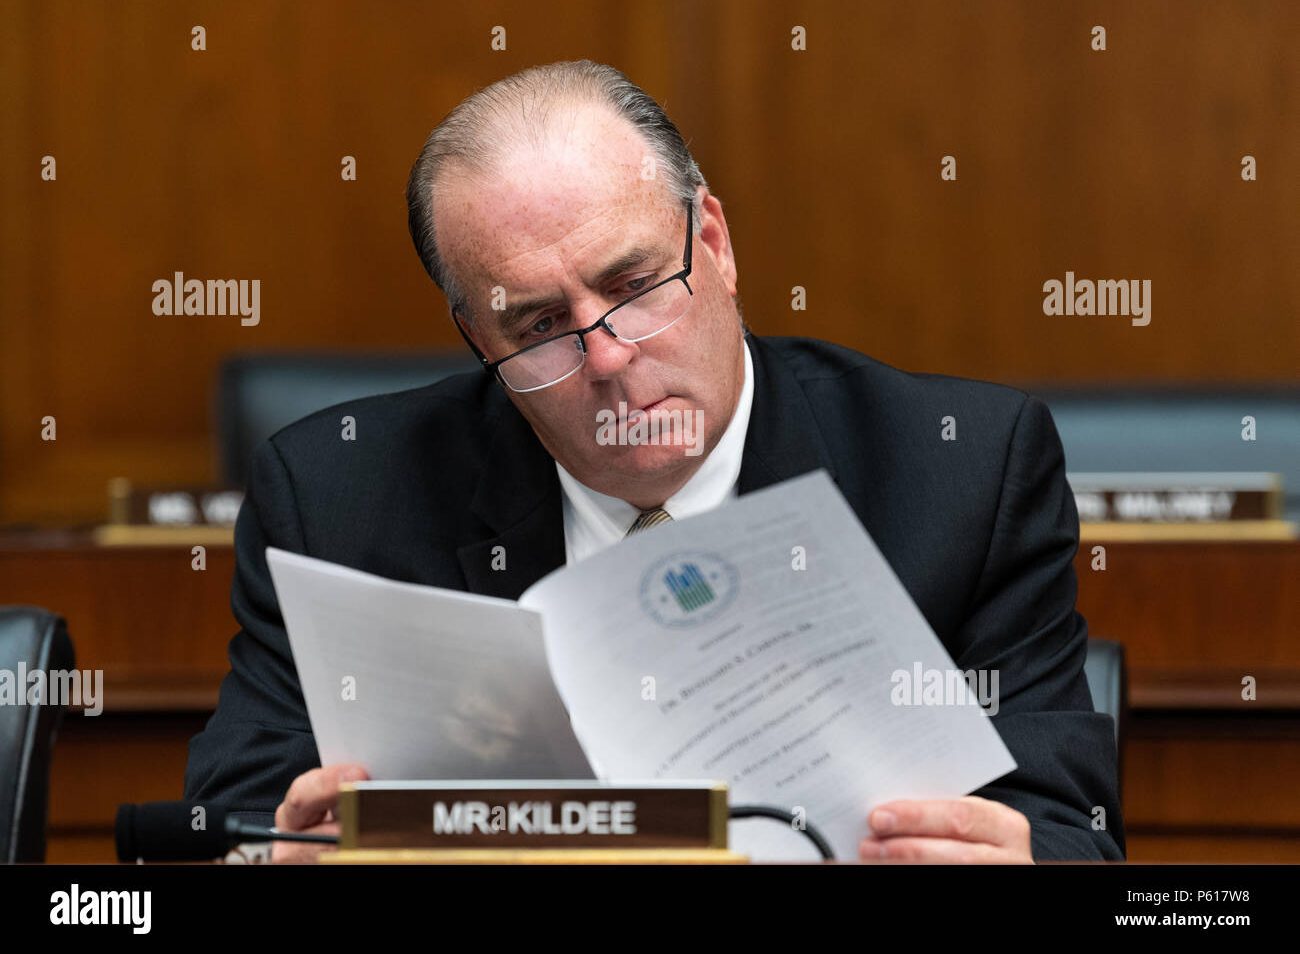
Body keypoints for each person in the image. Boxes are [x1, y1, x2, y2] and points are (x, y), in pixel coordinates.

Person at [185, 59, 1124, 863]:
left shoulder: (961, 473)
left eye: (634, 287)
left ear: (712, 244)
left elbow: (1070, 830)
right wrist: (270, 848)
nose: (606, 357)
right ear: (476, 340)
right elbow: (223, 820)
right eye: (540, 326)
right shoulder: (335, 499)